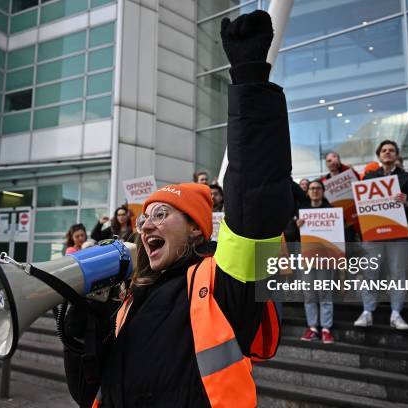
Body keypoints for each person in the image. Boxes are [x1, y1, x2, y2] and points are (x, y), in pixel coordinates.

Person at [60, 11, 291, 407]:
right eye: (145, 217)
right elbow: (88, 393)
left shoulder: (222, 283)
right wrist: (80, 333)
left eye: (163, 214)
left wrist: (250, 81)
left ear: (198, 231)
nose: (146, 223)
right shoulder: (126, 299)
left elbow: (256, 199)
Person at [354, 140, 408, 330]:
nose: (388, 153)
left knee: (398, 274)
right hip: (373, 235)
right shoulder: (368, 178)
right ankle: (367, 311)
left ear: (397, 155)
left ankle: (396, 313)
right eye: (384, 150)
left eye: (391, 150)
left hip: (398, 235)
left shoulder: (407, 178)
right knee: (369, 273)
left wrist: (407, 202)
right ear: (379, 155)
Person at [297, 180, 335, 344]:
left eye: (318, 188)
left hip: (326, 259)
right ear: (308, 192)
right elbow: (291, 235)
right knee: (309, 294)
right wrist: (297, 226)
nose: (314, 191)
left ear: (323, 191)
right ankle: (313, 327)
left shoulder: (331, 211)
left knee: (325, 294)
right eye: (312, 188)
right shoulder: (301, 212)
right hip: (307, 258)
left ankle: (326, 329)